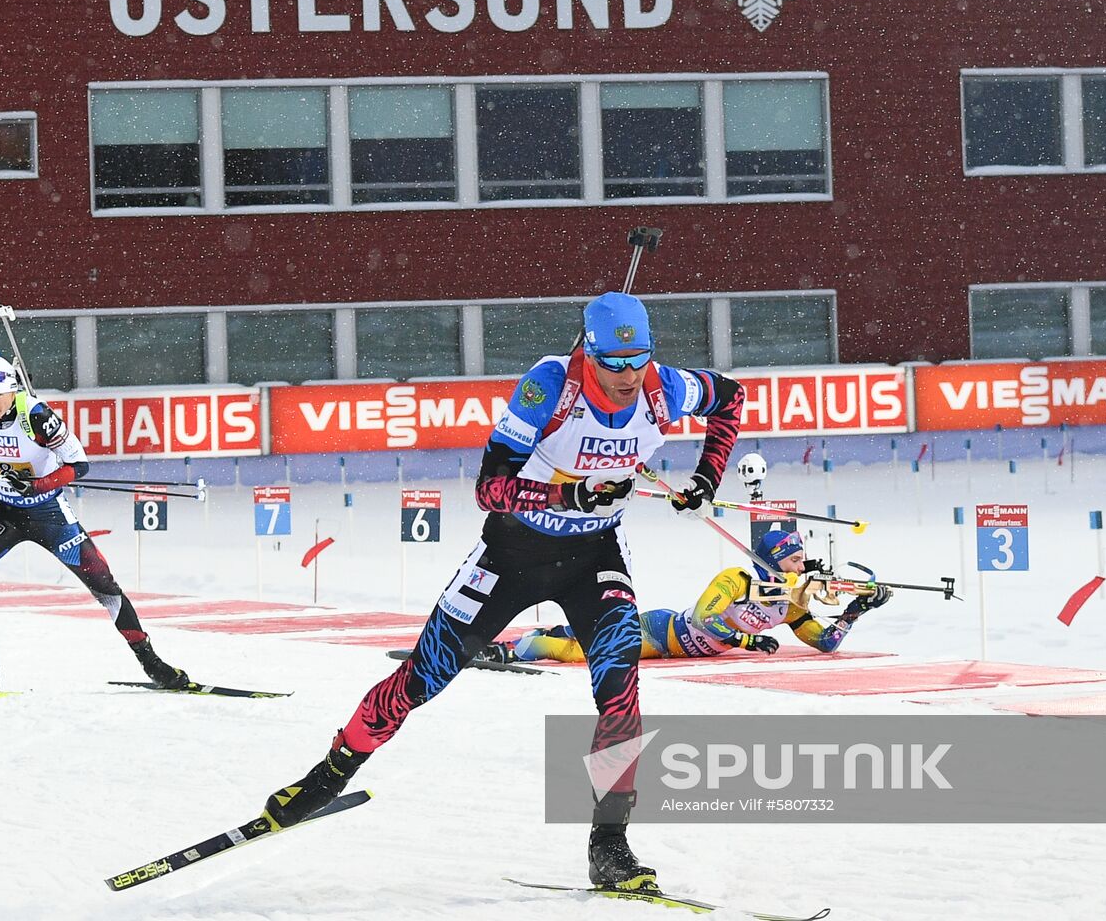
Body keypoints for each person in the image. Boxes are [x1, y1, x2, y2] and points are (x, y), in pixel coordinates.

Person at [259, 292, 744, 892]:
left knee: (620, 690)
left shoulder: (665, 388)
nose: (627, 375)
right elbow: (491, 488)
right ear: (587, 352)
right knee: (422, 679)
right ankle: (327, 777)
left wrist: (705, 477)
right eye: (613, 363)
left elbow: (730, 397)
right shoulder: (549, 386)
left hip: (591, 559)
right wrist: (566, 497)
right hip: (510, 556)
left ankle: (610, 845)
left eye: (638, 359)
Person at [0, 350, 188, 694]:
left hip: (49, 515)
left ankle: (153, 664)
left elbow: (79, 466)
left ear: (12, 390)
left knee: (105, 586)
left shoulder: (36, 415)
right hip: (3, 511)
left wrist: (38, 484)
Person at [486, 529, 891, 664]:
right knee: (585, 654)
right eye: (796, 560)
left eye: (805, 560)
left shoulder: (793, 604)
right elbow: (702, 620)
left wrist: (854, 611)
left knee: (589, 638)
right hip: (662, 632)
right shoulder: (736, 579)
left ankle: (562, 629)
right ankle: (512, 650)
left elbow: (825, 643)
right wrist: (748, 640)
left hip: (678, 648)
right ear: (775, 561)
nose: (803, 568)